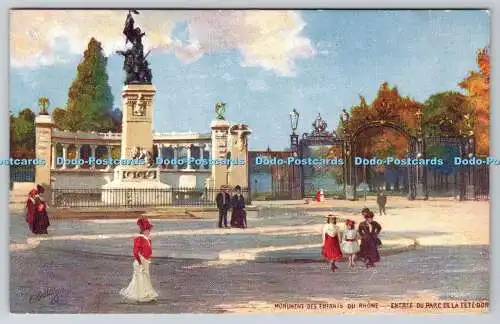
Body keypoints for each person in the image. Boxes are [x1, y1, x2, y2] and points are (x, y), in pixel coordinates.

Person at [120, 217, 159, 302]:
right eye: (147, 230)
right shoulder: (139, 238)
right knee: (141, 278)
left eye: (149, 230)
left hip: (145, 262)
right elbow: (135, 251)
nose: (148, 232)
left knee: (145, 278)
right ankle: (141, 294)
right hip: (140, 262)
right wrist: (140, 261)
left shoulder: (147, 239)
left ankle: (146, 292)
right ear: (143, 231)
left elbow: (148, 251)